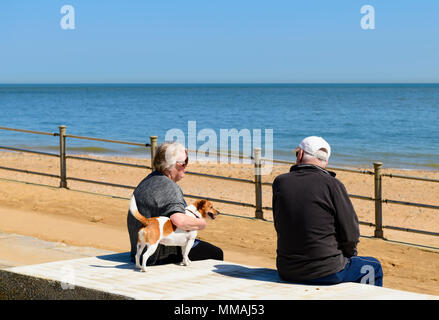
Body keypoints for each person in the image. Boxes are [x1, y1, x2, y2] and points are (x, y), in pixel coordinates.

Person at [272, 136, 383, 286]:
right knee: (373, 266)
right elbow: (351, 232)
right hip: (327, 271)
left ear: (300, 155)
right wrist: (349, 254)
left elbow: (280, 224)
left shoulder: (280, 182)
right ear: (326, 162)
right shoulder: (333, 185)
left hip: (287, 269)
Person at [127, 141, 223, 266]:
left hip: (137, 250)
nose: (186, 166)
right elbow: (179, 221)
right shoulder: (170, 187)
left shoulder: (147, 180)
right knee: (216, 253)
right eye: (184, 163)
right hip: (159, 255)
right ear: (170, 165)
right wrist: (201, 223)